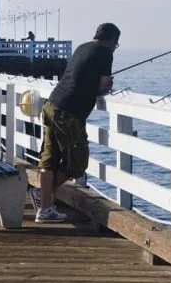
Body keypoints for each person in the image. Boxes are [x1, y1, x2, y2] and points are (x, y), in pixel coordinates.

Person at [29, 22, 120, 223]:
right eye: (116, 43)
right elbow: (103, 86)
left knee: (49, 160)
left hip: (52, 104)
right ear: (112, 40)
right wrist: (106, 87)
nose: (115, 47)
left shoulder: (82, 47)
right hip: (68, 112)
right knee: (77, 163)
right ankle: (42, 197)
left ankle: (44, 209)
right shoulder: (105, 52)